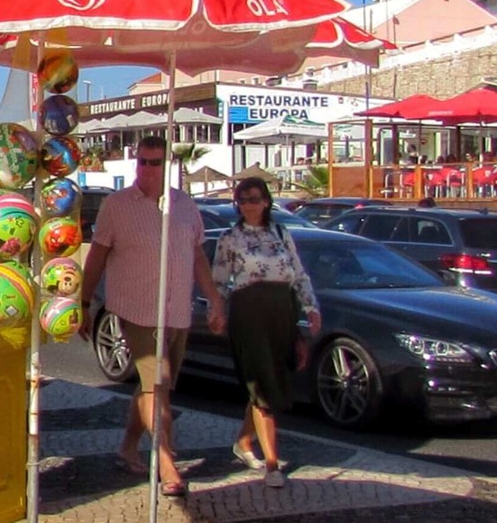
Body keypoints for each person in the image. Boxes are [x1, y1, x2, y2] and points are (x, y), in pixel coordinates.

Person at [78, 135, 225, 499]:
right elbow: (96, 256)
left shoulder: (185, 206)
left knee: (154, 388)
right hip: (136, 309)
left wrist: (214, 300)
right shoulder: (117, 205)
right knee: (156, 384)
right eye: (142, 161)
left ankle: (128, 447)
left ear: (167, 166)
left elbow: (198, 257)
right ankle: (166, 463)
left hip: (176, 310)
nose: (147, 169)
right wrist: (81, 302)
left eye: (155, 162)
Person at [212, 176, 321, 489]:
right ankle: (272, 464)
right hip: (249, 316)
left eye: (254, 199)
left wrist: (311, 308)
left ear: (266, 201)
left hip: (281, 314)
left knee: (271, 383)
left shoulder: (281, 233)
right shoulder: (229, 239)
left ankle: (245, 441)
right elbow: (218, 281)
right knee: (260, 385)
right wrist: (216, 313)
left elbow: (299, 275)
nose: (248, 205)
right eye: (243, 200)